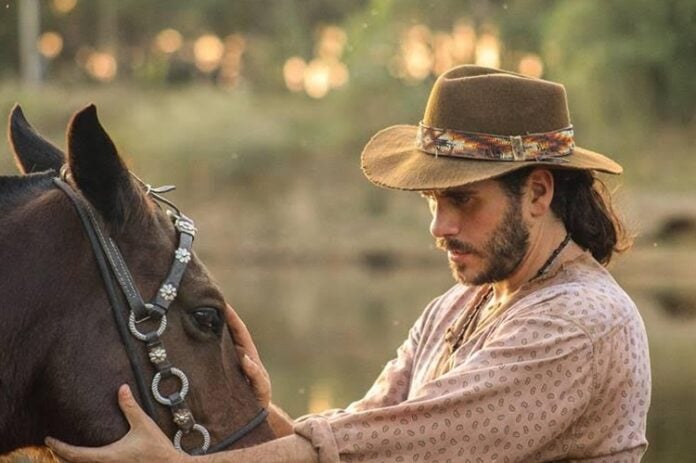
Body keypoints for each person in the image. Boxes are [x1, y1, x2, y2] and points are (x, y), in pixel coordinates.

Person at [47, 65, 651, 462]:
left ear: (539, 194)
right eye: (434, 202)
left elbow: (413, 444)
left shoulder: (581, 322)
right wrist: (266, 411)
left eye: (463, 201)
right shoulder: (459, 304)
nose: (440, 228)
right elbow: (359, 441)